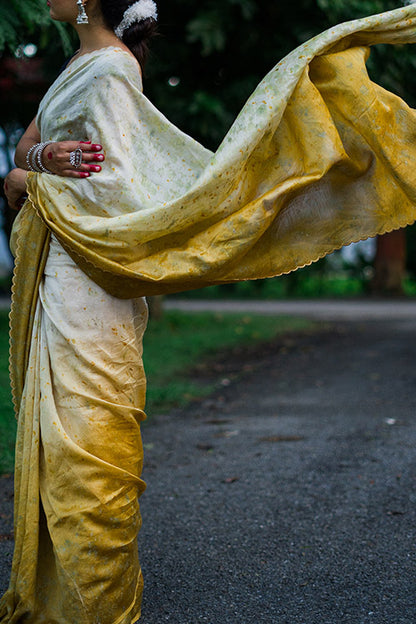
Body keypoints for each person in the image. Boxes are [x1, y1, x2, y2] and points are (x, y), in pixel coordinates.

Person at [2, 1, 416, 622]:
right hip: (61, 270)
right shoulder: (78, 64)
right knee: (59, 439)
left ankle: (98, 609)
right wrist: (42, 165)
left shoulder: (112, 71)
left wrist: (30, 181)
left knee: (88, 445)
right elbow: (26, 155)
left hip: (88, 279)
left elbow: (119, 190)